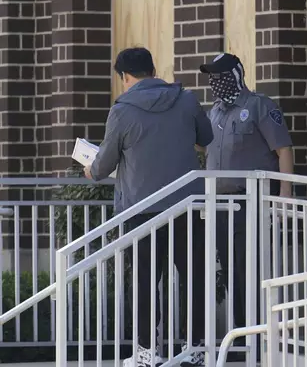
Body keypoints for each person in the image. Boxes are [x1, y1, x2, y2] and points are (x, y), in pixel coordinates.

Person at [86, 47, 213, 367]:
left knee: (143, 281)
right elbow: (206, 137)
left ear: (125, 77)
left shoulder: (122, 110)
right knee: (193, 277)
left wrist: (90, 169)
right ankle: (196, 349)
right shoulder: (186, 99)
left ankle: (146, 352)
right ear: (153, 69)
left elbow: (103, 165)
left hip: (140, 210)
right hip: (187, 204)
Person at [198, 53, 294, 360]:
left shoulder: (259, 107)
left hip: (248, 203)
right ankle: (240, 336)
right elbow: (203, 147)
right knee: (229, 272)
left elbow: (283, 150)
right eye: (211, 76)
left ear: (236, 74)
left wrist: (285, 194)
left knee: (248, 270)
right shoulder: (214, 113)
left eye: (221, 75)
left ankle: (255, 337)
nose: (215, 82)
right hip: (220, 205)